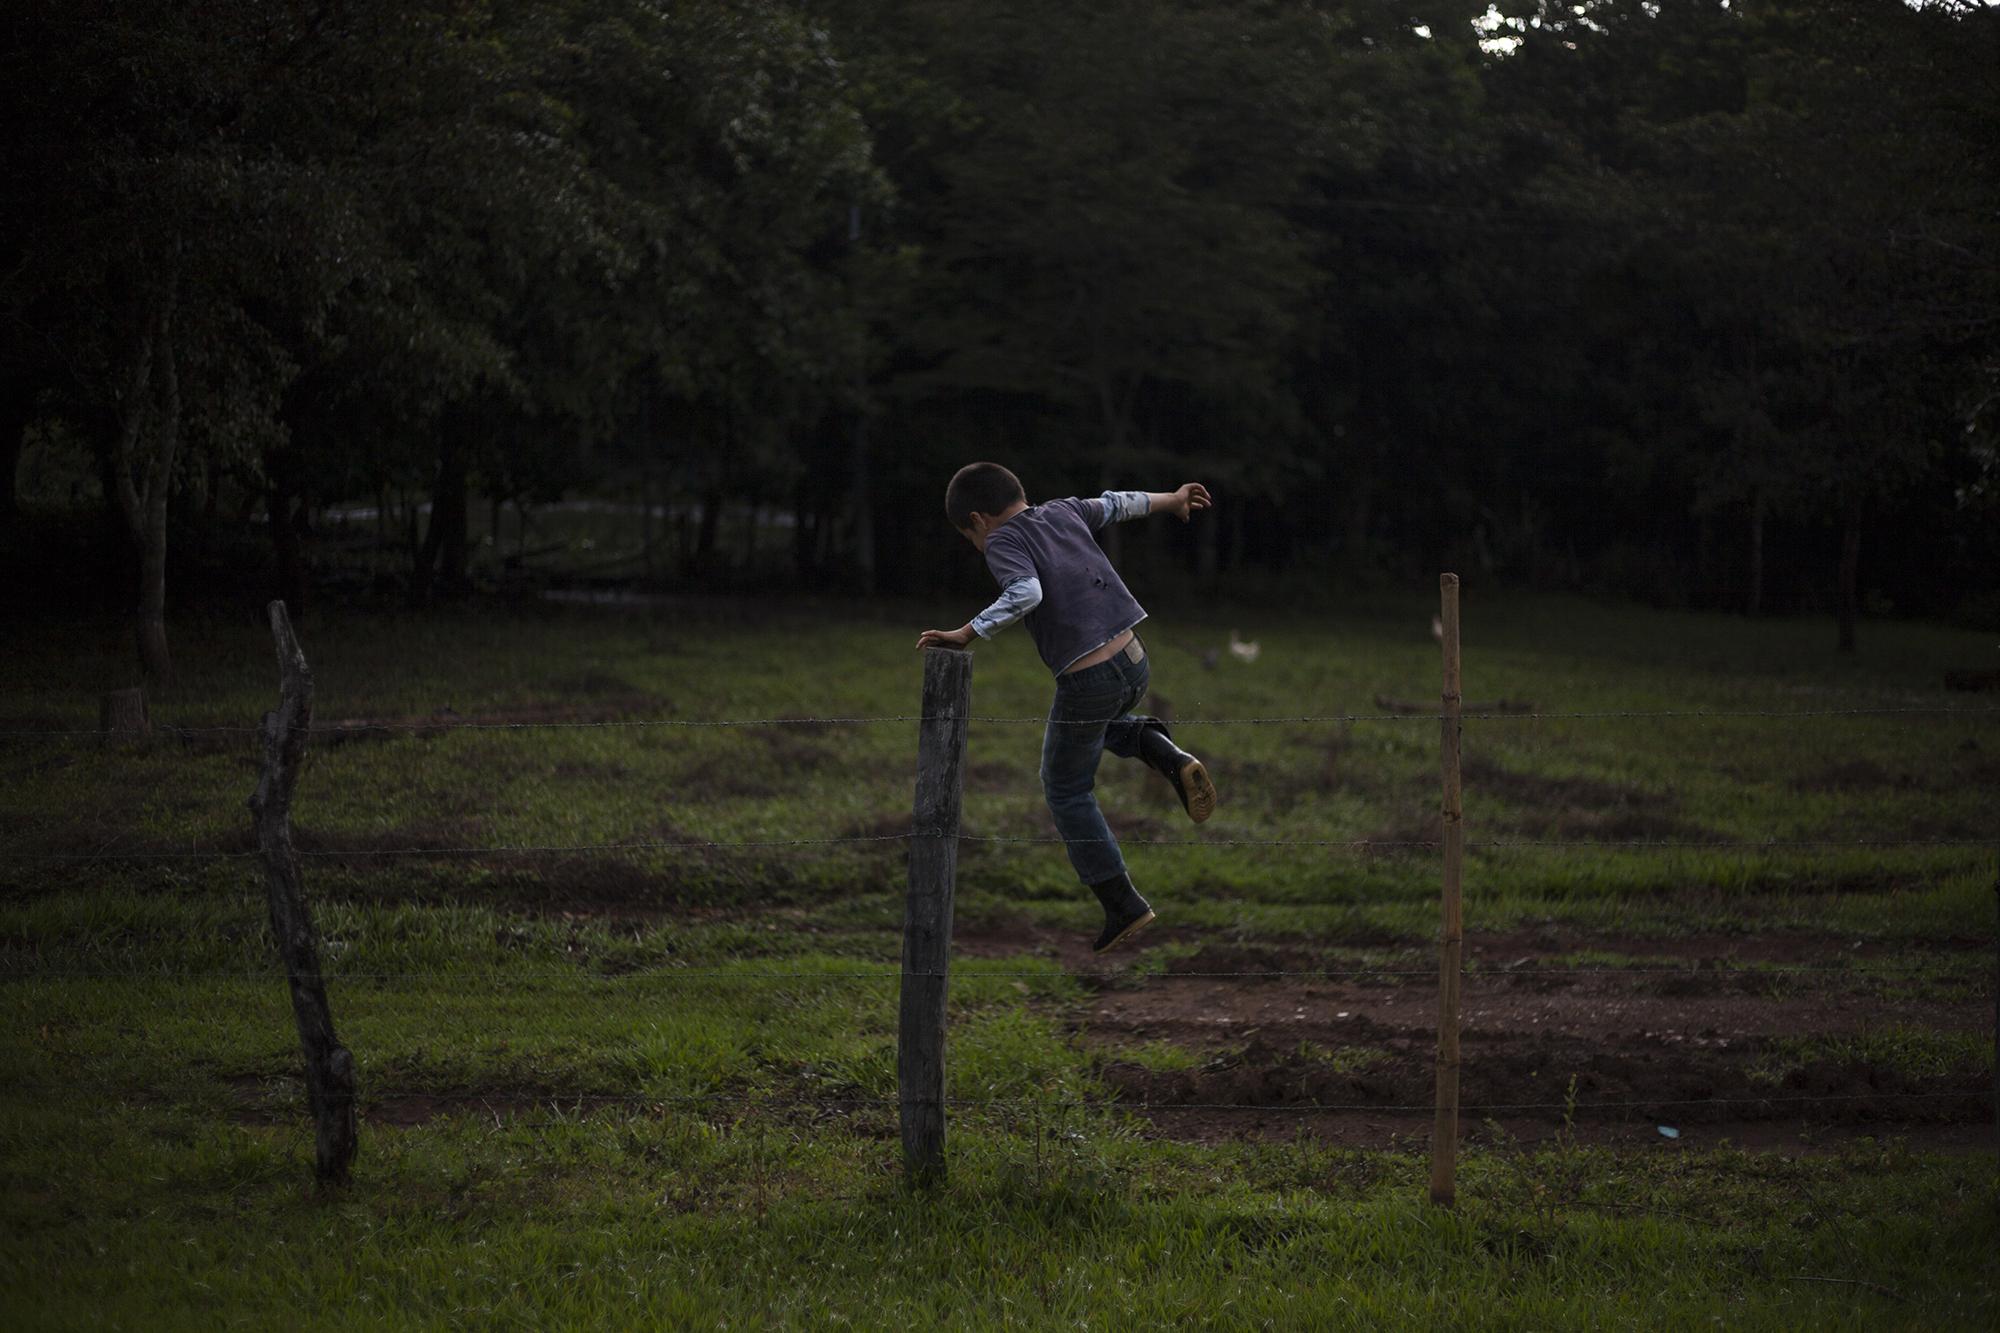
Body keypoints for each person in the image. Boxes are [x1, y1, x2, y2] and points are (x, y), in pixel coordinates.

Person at [915, 462, 1217, 954]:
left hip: (1089, 676)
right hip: (1135, 660)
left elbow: (1026, 592)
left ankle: (1122, 902)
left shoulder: (1002, 541)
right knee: (1102, 722)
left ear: (979, 519)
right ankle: (1168, 754)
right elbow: (1121, 502)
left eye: (970, 536)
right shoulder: (1064, 512)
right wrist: (1174, 498)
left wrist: (968, 632)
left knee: (1065, 785)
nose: (977, 546)